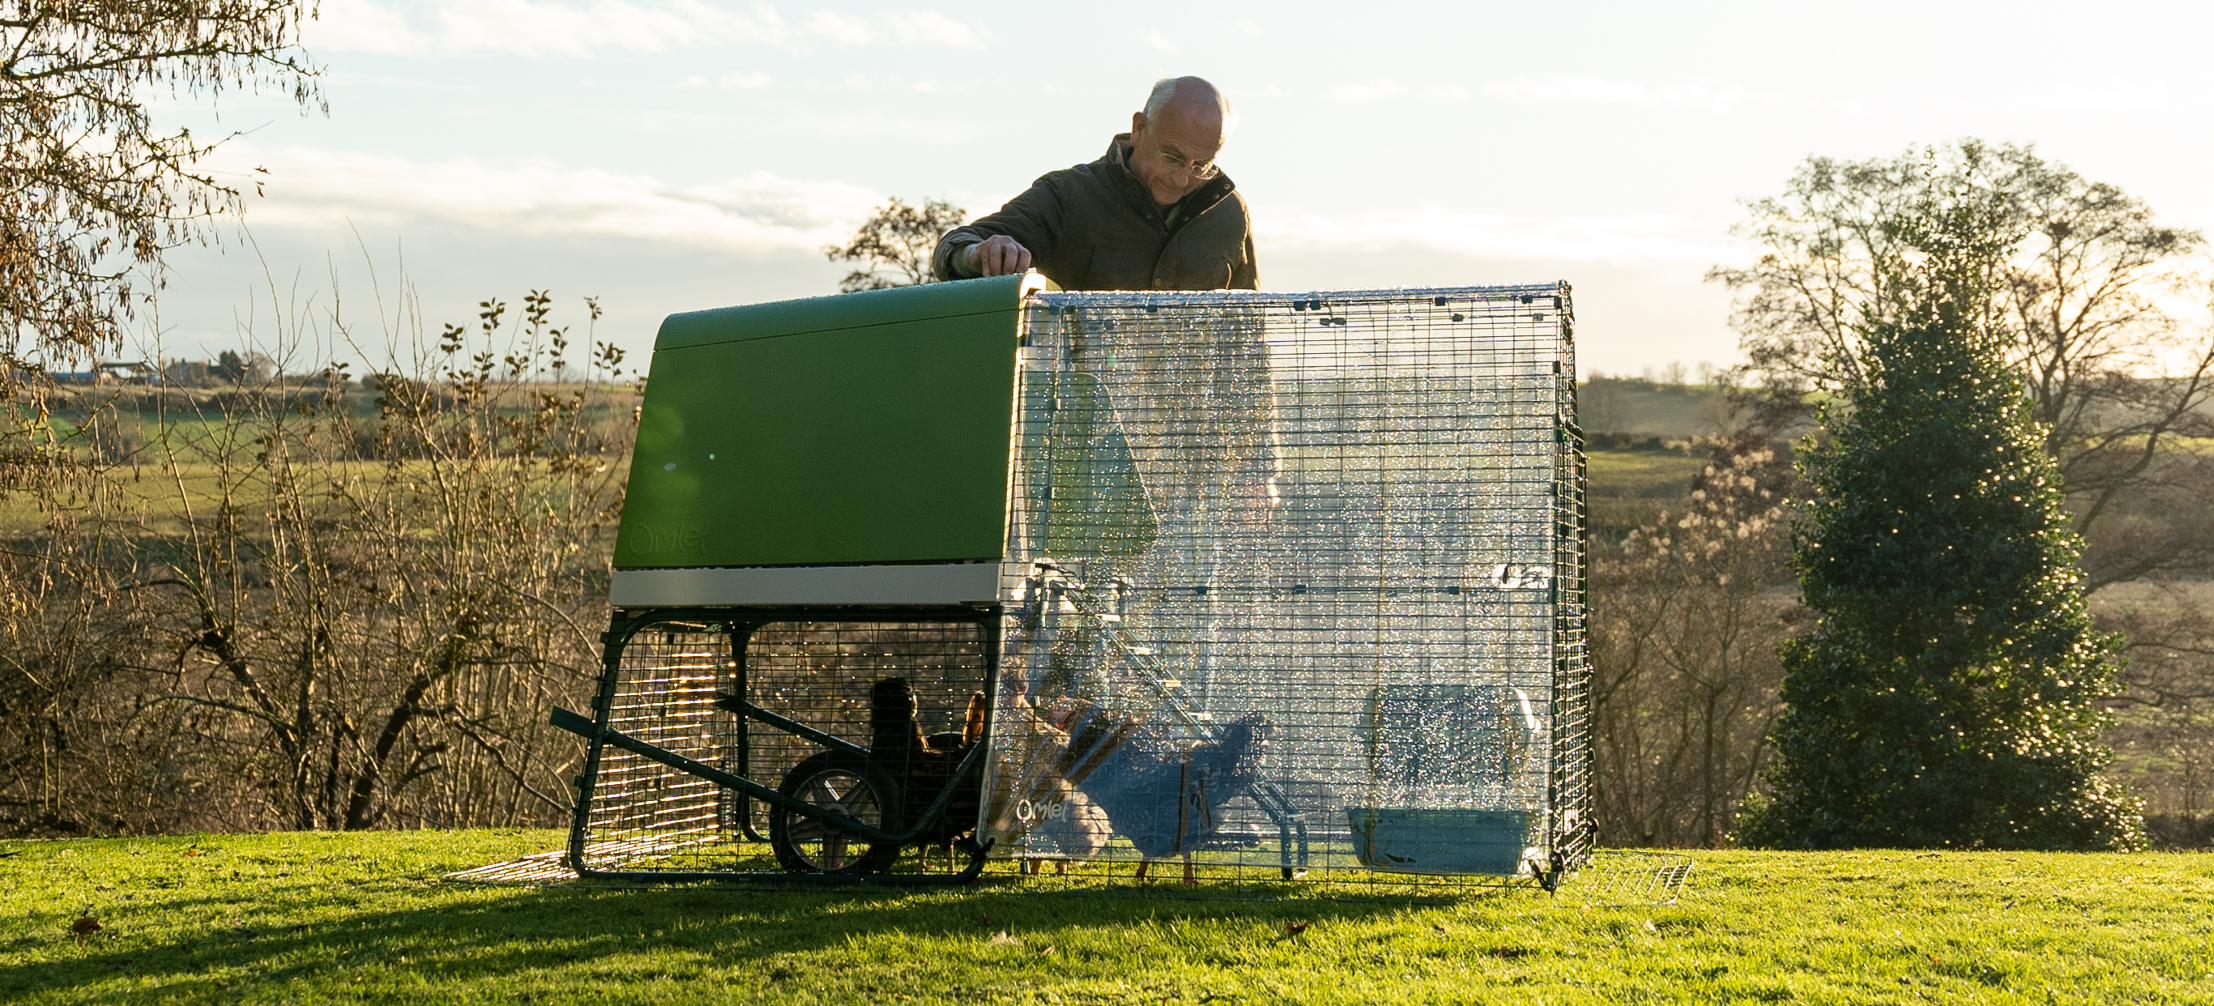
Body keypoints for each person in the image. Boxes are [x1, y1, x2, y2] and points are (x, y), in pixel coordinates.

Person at [931, 76, 1257, 291]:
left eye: (1203, 166)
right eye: (1172, 157)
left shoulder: (1229, 214)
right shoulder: (1067, 195)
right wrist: (979, 253)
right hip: (1074, 396)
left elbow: (1251, 334)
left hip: (1185, 400)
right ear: (1140, 128)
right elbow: (955, 247)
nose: (1183, 177)